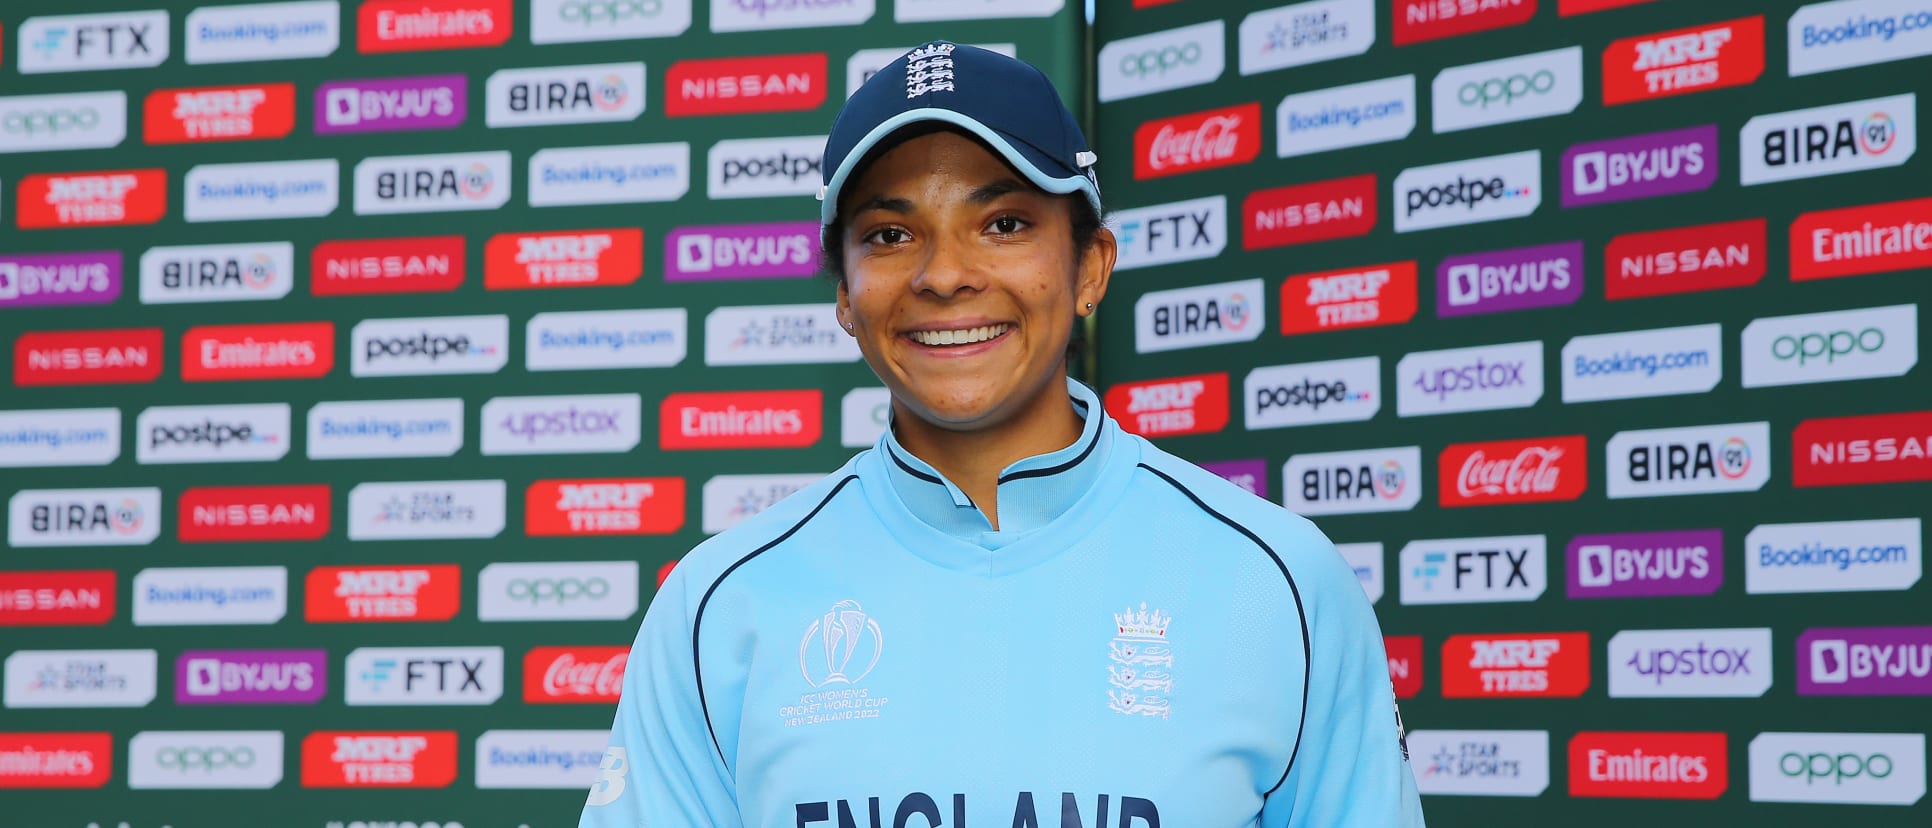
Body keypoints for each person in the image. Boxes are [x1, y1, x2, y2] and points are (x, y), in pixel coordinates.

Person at [580, 42, 1425, 828]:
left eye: (1005, 224)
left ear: (1090, 265)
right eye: (890, 234)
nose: (944, 275)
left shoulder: (1279, 580)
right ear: (845, 293)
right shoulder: (719, 602)